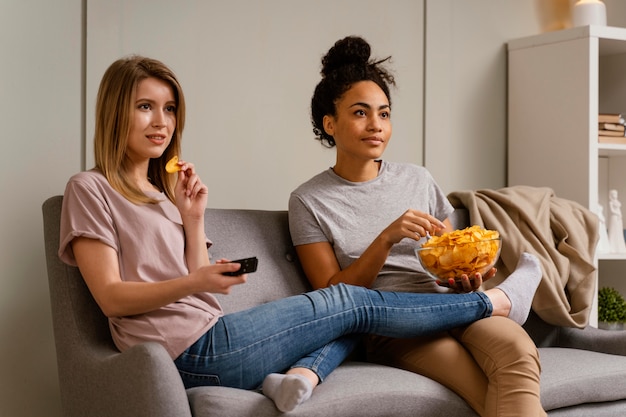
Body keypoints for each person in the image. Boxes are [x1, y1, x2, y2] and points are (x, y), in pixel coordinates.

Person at [57, 55, 535, 413]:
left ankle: (302, 375)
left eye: (169, 109)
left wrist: (193, 217)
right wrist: (197, 283)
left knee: (351, 320)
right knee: (348, 301)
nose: (161, 122)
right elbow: (113, 299)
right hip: (185, 351)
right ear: (115, 111)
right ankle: (497, 302)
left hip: (209, 332)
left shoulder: (163, 191)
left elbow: (198, 284)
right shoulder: (89, 188)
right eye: (145, 107)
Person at [288, 36, 546, 416]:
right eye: (360, 113)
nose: (376, 125)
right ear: (330, 123)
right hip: (392, 323)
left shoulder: (418, 179)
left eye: (385, 113)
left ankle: (500, 297)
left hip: (451, 304)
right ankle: (509, 297)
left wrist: (466, 275)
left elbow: (447, 251)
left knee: (519, 353)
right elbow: (333, 296)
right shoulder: (308, 200)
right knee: (481, 390)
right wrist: (386, 239)